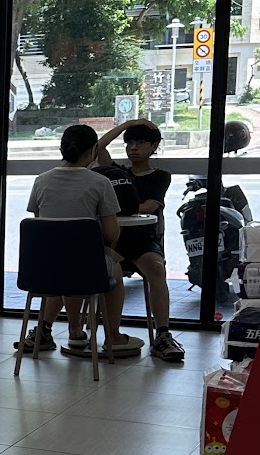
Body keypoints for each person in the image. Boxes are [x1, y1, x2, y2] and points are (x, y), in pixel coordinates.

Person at [17, 124, 141, 356]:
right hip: (85, 270)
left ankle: (74, 331)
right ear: (93, 150)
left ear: (62, 149)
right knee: (112, 267)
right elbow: (112, 234)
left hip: (43, 271)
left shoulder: (41, 181)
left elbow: (41, 223)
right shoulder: (100, 183)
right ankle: (113, 336)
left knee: (65, 262)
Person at [96, 119, 184, 363]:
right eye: (130, 143)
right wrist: (128, 124)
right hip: (115, 241)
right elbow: (97, 149)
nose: (133, 148)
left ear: (154, 147)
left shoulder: (160, 176)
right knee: (104, 269)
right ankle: (109, 334)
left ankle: (163, 335)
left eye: (141, 143)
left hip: (143, 242)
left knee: (156, 268)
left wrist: (116, 207)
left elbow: (149, 207)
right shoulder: (117, 173)